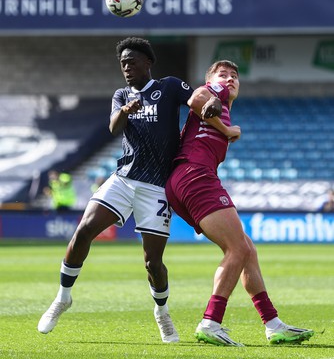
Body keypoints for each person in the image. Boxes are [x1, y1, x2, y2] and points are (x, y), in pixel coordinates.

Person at [37, 37, 238, 342]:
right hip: (124, 178)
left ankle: (162, 312)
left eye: (132, 62)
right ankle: (63, 297)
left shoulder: (168, 87)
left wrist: (211, 101)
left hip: (156, 187)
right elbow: (113, 127)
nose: (127, 68)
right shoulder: (121, 95)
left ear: (148, 63)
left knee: (152, 262)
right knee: (84, 230)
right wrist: (126, 110)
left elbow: (196, 95)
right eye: (123, 64)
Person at [166, 60, 314, 346]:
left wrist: (226, 128)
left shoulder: (224, 104)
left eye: (234, 75)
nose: (229, 79)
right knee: (237, 248)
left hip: (186, 178)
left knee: (247, 249)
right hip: (194, 175)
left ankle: (272, 323)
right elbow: (197, 97)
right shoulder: (215, 92)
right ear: (212, 79)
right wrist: (226, 128)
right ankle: (211, 321)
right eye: (223, 74)